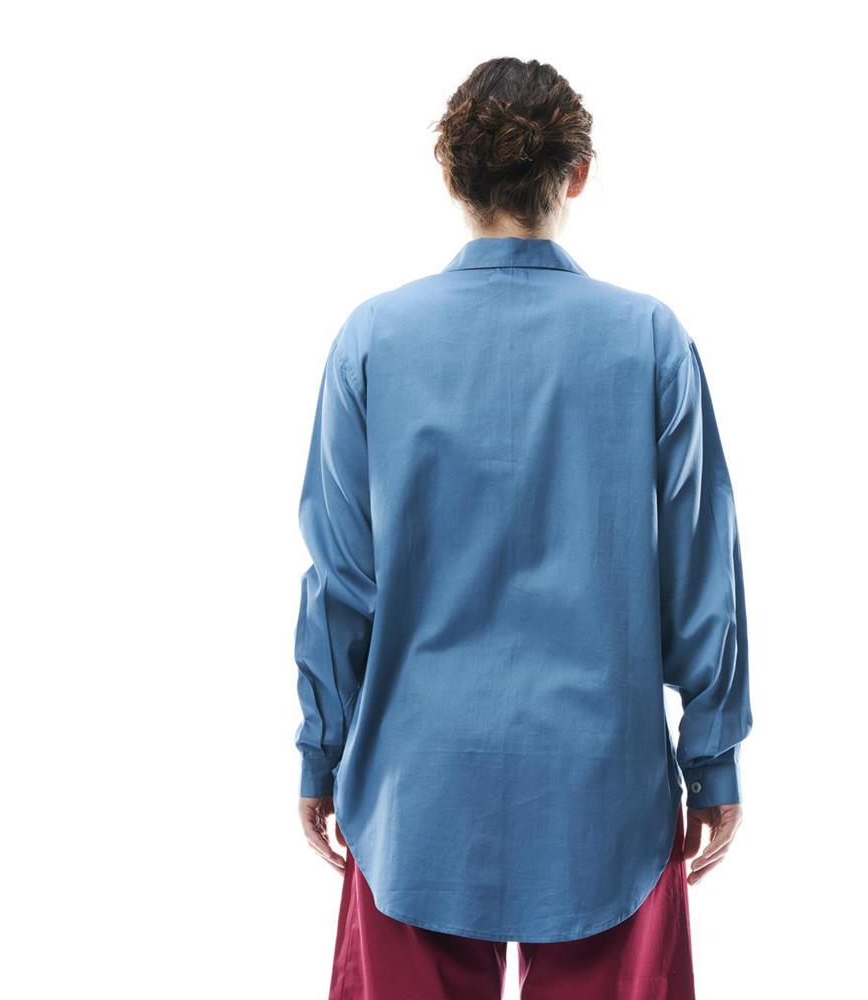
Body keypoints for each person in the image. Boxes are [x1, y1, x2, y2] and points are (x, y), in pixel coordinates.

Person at [293, 57, 752, 1000]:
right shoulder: (650, 339)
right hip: (603, 795)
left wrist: (319, 749)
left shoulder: (374, 339)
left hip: (414, 791)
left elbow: (341, 578)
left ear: (451, 174)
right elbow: (702, 574)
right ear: (575, 174)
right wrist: (711, 762)